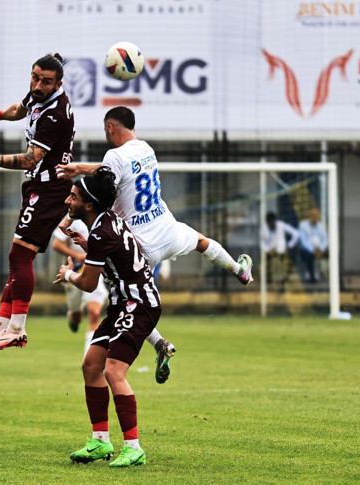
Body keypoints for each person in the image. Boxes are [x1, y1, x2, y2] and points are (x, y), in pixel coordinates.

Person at [59, 106, 253, 383]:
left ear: (111, 128)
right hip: (167, 229)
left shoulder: (113, 156)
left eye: (105, 130)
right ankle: (238, 270)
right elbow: (112, 171)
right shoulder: (146, 149)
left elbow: (104, 180)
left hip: (139, 245)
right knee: (200, 241)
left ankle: (159, 343)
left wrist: (72, 206)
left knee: (127, 301)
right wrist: (84, 167)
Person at [0, 53, 75, 351]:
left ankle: (17, 328)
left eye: (45, 81)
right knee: (17, 257)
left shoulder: (55, 114)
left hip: (50, 190)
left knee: (20, 256)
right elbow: (19, 110)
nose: (37, 85)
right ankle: (0, 323)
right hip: (39, 186)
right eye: (35, 77)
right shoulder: (39, 94)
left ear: (58, 84)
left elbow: (30, 158)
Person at [53, 167, 156, 468]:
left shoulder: (100, 230)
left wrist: (68, 274)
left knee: (113, 371)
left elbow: (87, 283)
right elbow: (112, 253)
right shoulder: (106, 222)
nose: (67, 201)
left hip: (140, 304)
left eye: (73, 197)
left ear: (88, 204)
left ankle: (134, 447)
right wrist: (87, 246)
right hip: (124, 304)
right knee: (91, 365)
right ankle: (100, 440)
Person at [51, 218, 108, 355]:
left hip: (94, 268)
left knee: (94, 313)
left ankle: (89, 358)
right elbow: (56, 244)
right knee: (77, 315)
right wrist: (77, 255)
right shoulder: (71, 218)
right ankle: (73, 315)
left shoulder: (103, 217)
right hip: (75, 270)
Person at [260, 211, 300, 284]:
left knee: (285, 260)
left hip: (282, 251)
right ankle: (268, 279)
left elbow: (296, 233)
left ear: (275, 221)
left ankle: (284, 278)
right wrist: (269, 249)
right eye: (270, 223)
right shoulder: (264, 229)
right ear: (267, 222)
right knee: (265, 260)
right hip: (270, 251)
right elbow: (262, 243)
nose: (272, 224)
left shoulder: (281, 225)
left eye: (273, 222)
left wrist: (290, 245)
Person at [297, 207, 328, 283]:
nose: (314, 217)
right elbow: (303, 241)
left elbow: (326, 239)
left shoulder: (322, 225)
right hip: (307, 249)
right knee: (308, 255)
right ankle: (311, 276)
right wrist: (312, 250)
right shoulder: (303, 225)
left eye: (316, 215)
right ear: (309, 215)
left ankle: (327, 276)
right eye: (312, 215)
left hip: (319, 249)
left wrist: (321, 249)